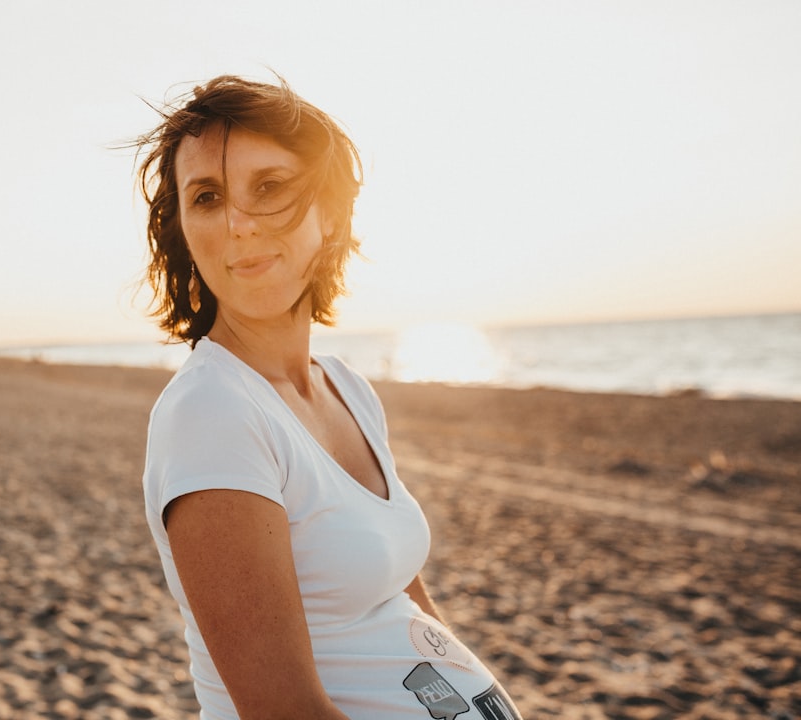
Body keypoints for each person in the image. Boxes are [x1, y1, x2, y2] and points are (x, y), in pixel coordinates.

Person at [137, 75, 522, 720]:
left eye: (270, 187)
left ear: (332, 211)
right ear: (184, 232)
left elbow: (403, 601)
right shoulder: (212, 414)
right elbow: (283, 713)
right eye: (207, 197)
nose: (238, 223)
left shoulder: (346, 386)